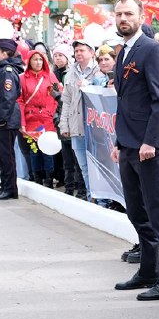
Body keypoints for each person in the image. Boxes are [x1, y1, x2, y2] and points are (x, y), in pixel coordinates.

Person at [109, 0, 159, 301]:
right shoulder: (123, 51)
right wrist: (118, 141)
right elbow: (126, 102)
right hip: (127, 145)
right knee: (137, 212)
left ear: (142, 17)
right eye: (119, 14)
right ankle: (149, 270)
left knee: (158, 213)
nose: (123, 18)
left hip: (148, 147)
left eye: (128, 14)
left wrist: (150, 141)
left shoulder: (150, 49)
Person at [58, 39, 104, 200]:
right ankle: (92, 197)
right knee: (84, 166)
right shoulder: (71, 72)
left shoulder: (99, 70)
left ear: (91, 52)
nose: (78, 53)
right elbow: (67, 101)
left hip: (96, 128)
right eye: (76, 51)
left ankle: (102, 200)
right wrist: (64, 124)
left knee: (97, 166)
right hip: (76, 127)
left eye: (82, 50)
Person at [0, 39, 24, 199]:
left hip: (4, 121)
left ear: (5, 53)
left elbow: (8, 99)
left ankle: (9, 189)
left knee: (6, 156)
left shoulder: (7, 71)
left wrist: (1, 119)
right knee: (1, 155)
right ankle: (4, 187)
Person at [18, 50, 59, 185]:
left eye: (40, 59)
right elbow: (19, 101)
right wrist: (22, 121)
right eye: (35, 59)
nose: (38, 62)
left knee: (48, 151)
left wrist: (51, 113)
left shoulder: (50, 76)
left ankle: (48, 179)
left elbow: (57, 97)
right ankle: (37, 178)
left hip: (48, 119)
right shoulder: (22, 78)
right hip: (31, 120)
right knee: (34, 150)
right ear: (29, 61)